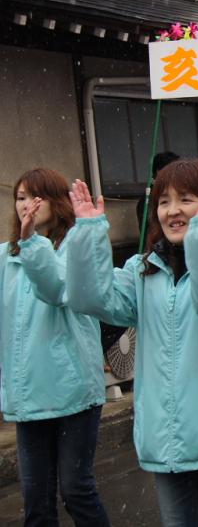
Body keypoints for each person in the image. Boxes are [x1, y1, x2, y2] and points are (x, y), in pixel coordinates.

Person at [66, 163, 198, 527]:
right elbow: (88, 298)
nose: (172, 210)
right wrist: (88, 234)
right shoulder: (143, 270)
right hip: (168, 439)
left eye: (186, 199)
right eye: (164, 201)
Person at [1, 168, 110, 526]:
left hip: (73, 391)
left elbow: (56, 289)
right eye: (19, 197)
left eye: (35, 197)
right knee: (36, 501)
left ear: (55, 202)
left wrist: (31, 242)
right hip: (28, 393)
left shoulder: (74, 247)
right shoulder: (5, 256)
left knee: (76, 490)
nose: (25, 206)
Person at [138, 151, 180, 232]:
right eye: (173, 169)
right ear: (159, 171)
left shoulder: (175, 190)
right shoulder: (149, 198)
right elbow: (150, 230)